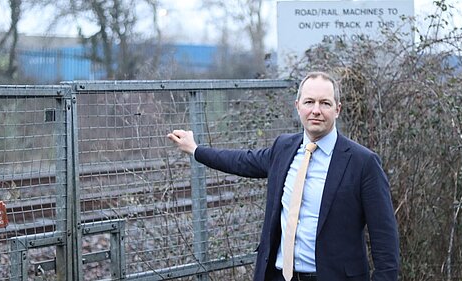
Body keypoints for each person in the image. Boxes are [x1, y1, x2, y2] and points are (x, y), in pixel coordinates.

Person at [167, 71, 399, 281]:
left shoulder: (362, 162)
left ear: (337, 109)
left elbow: (385, 241)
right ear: (298, 106)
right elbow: (241, 161)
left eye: (325, 103)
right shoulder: (284, 148)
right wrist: (196, 149)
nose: (316, 110)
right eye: (309, 102)